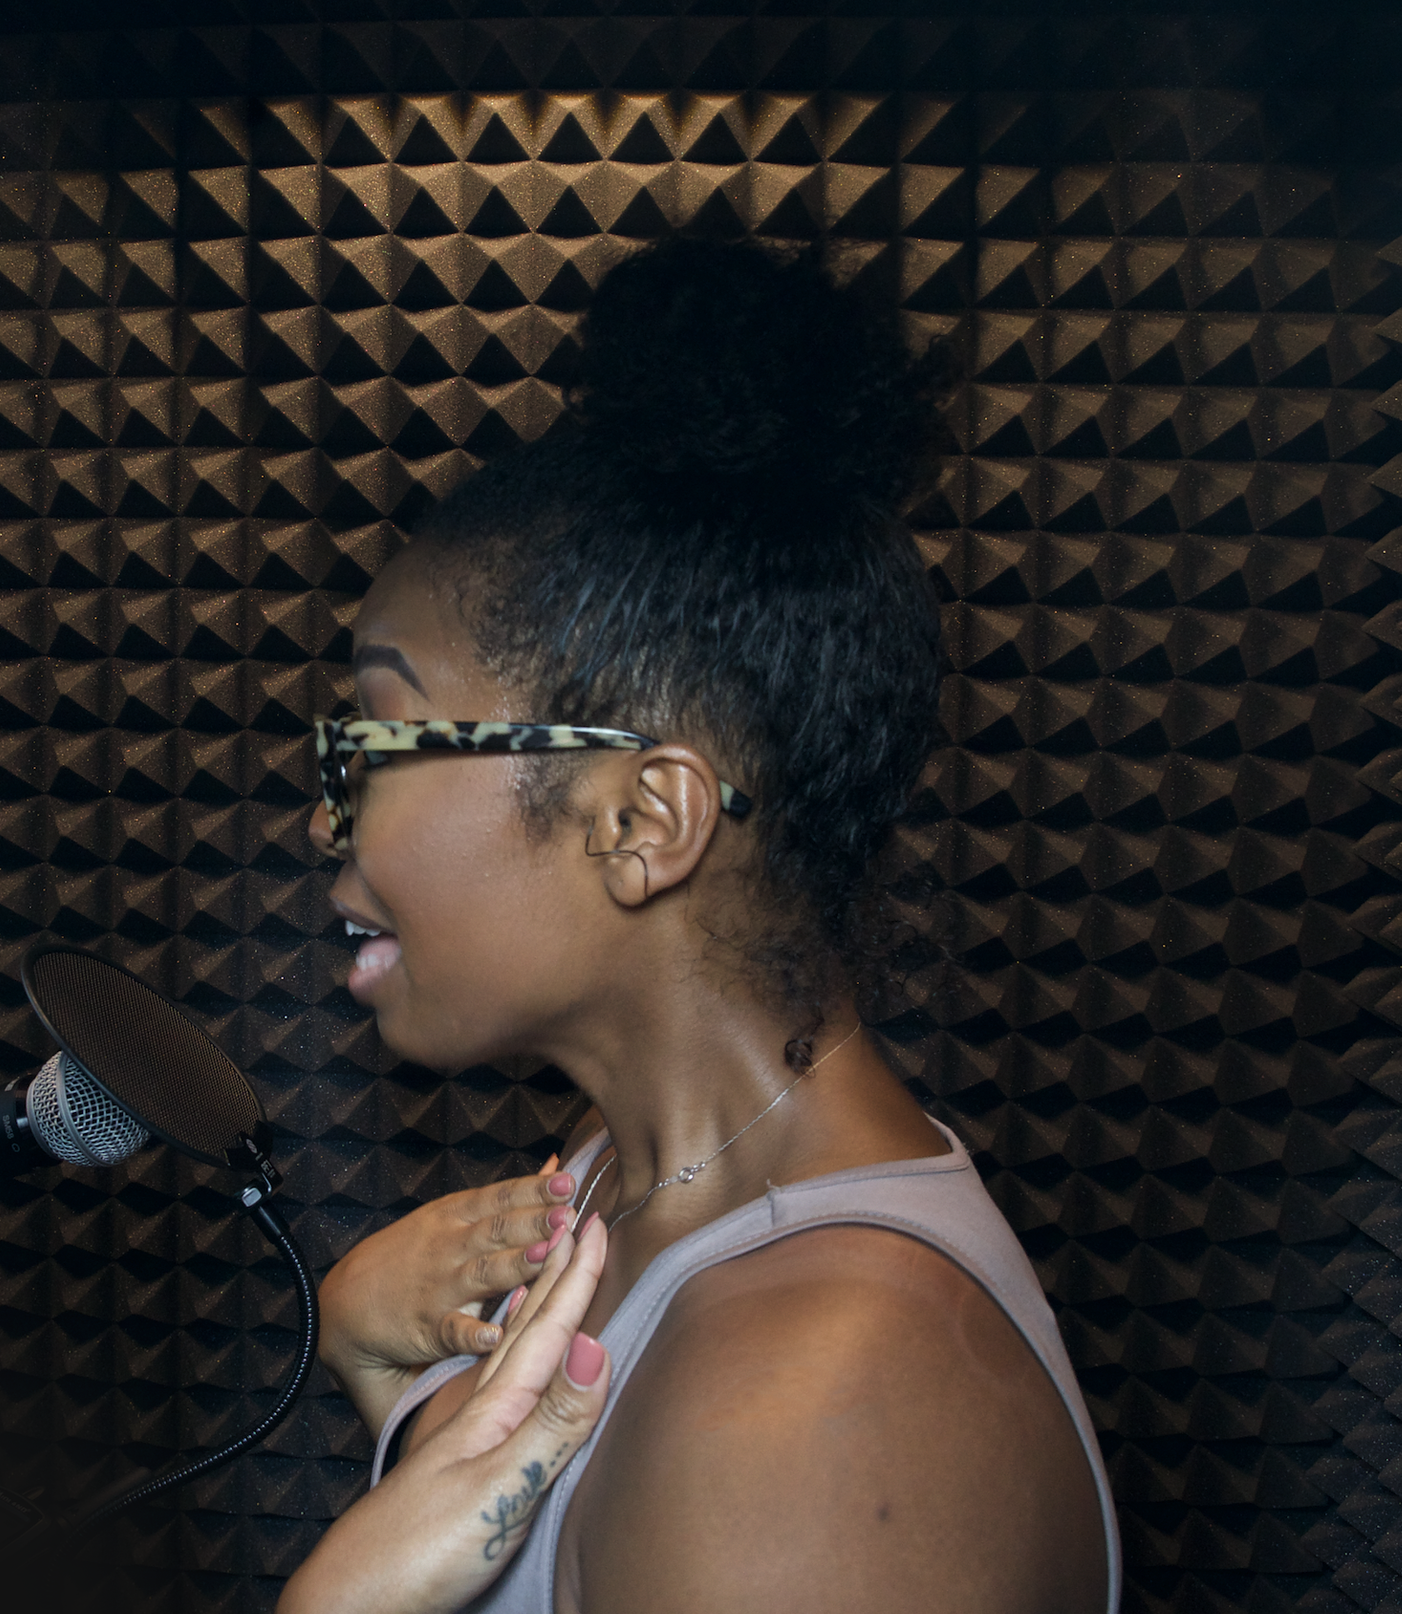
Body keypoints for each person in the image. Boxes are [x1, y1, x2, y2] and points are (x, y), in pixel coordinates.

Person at [274, 239, 1119, 1613]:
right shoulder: (623, 1165)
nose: (333, 815)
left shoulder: (810, 1426)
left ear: (641, 822)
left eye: (381, 733)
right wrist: (380, 1371)